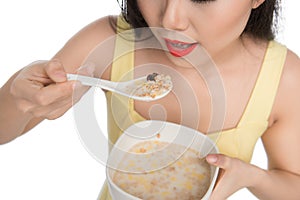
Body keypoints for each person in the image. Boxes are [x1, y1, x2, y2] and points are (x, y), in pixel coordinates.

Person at [1, 0, 300, 199]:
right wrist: (20, 99)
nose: (171, 19)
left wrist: (253, 178)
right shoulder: (110, 43)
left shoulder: (282, 76)